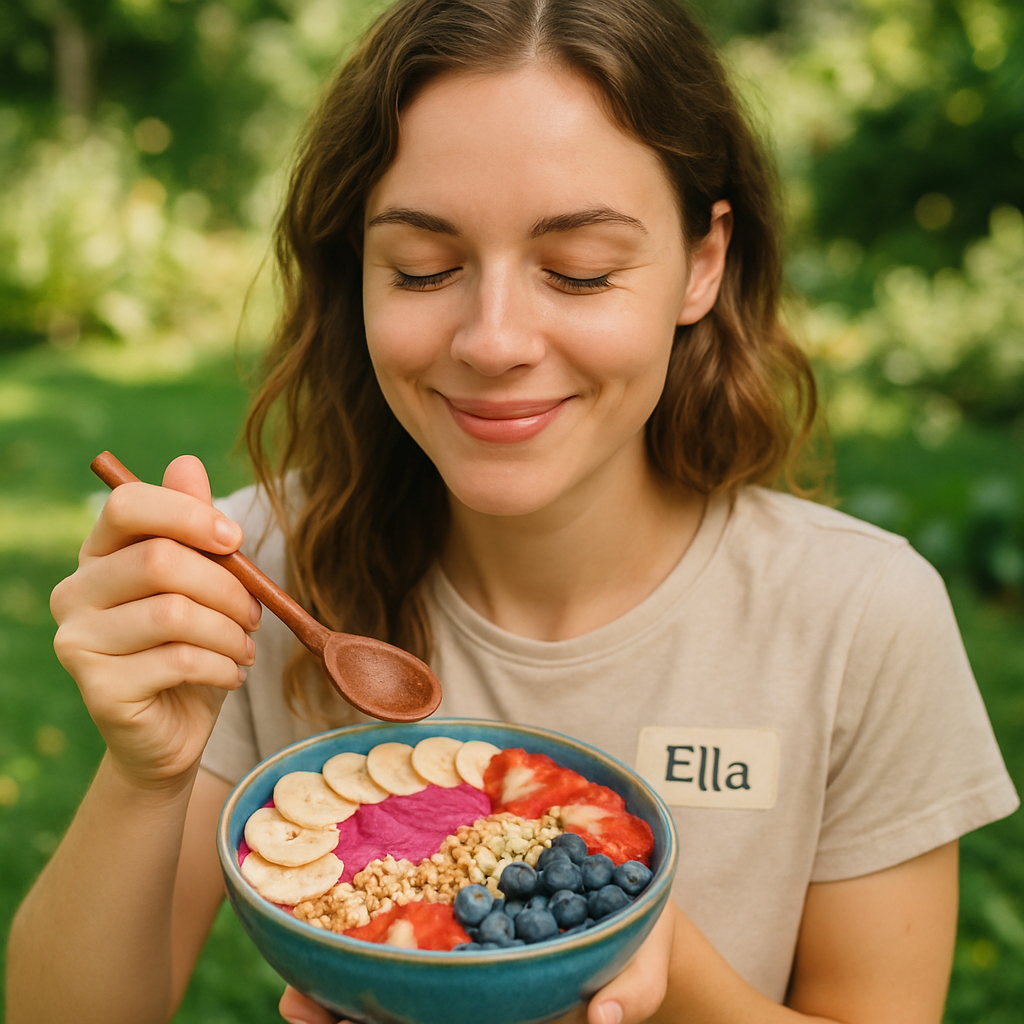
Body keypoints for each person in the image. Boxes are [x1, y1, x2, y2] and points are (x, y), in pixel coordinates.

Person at [6, 0, 1018, 1022]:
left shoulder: (858, 616)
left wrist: (625, 945)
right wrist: (146, 776)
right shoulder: (256, 578)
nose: (493, 340)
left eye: (577, 270)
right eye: (424, 268)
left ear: (701, 263)